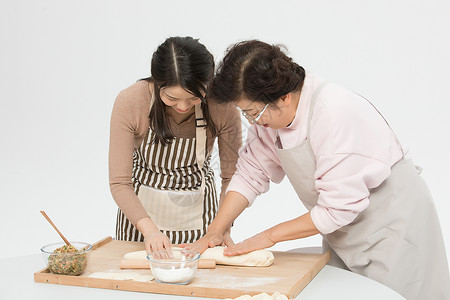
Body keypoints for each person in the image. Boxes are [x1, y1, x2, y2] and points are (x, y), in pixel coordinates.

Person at [187, 40, 450, 299]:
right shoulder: (270, 119)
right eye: (246, 113)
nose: (252, 122)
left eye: (254, 112)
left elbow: (337, 208)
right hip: (342, 230)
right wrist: (216, 230)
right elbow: (250, 173)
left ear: (284, 97)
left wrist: (268, 237)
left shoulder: (333, 112)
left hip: (394, 227)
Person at [108, 36, 241, 254]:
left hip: (201, 227)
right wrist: (150, 231)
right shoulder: (131, 101)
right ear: (157, 82)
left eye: (195, 97)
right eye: (172, 98)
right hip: (140, 224)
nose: (183, 106)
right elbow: (119, 182)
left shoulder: (222, 106)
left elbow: (231, 177)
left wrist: (222, 226)